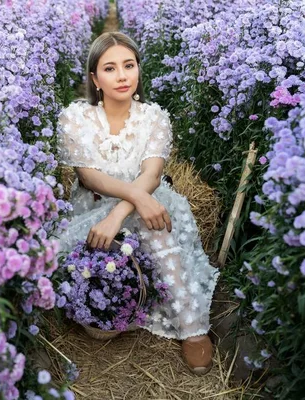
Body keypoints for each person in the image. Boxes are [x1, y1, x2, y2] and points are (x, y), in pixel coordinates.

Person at [55, 32, 219, 375]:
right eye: (110, 68)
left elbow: (152, 173)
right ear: (94, 79)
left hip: (148, 203)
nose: (122, 76)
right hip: (94, 207)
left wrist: (122, 211)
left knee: (154, 224)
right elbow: (90, 177)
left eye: (129, 65)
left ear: (139, 70)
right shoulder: (75, 117)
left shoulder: (154, 117)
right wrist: (128, 202)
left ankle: (192, 328)